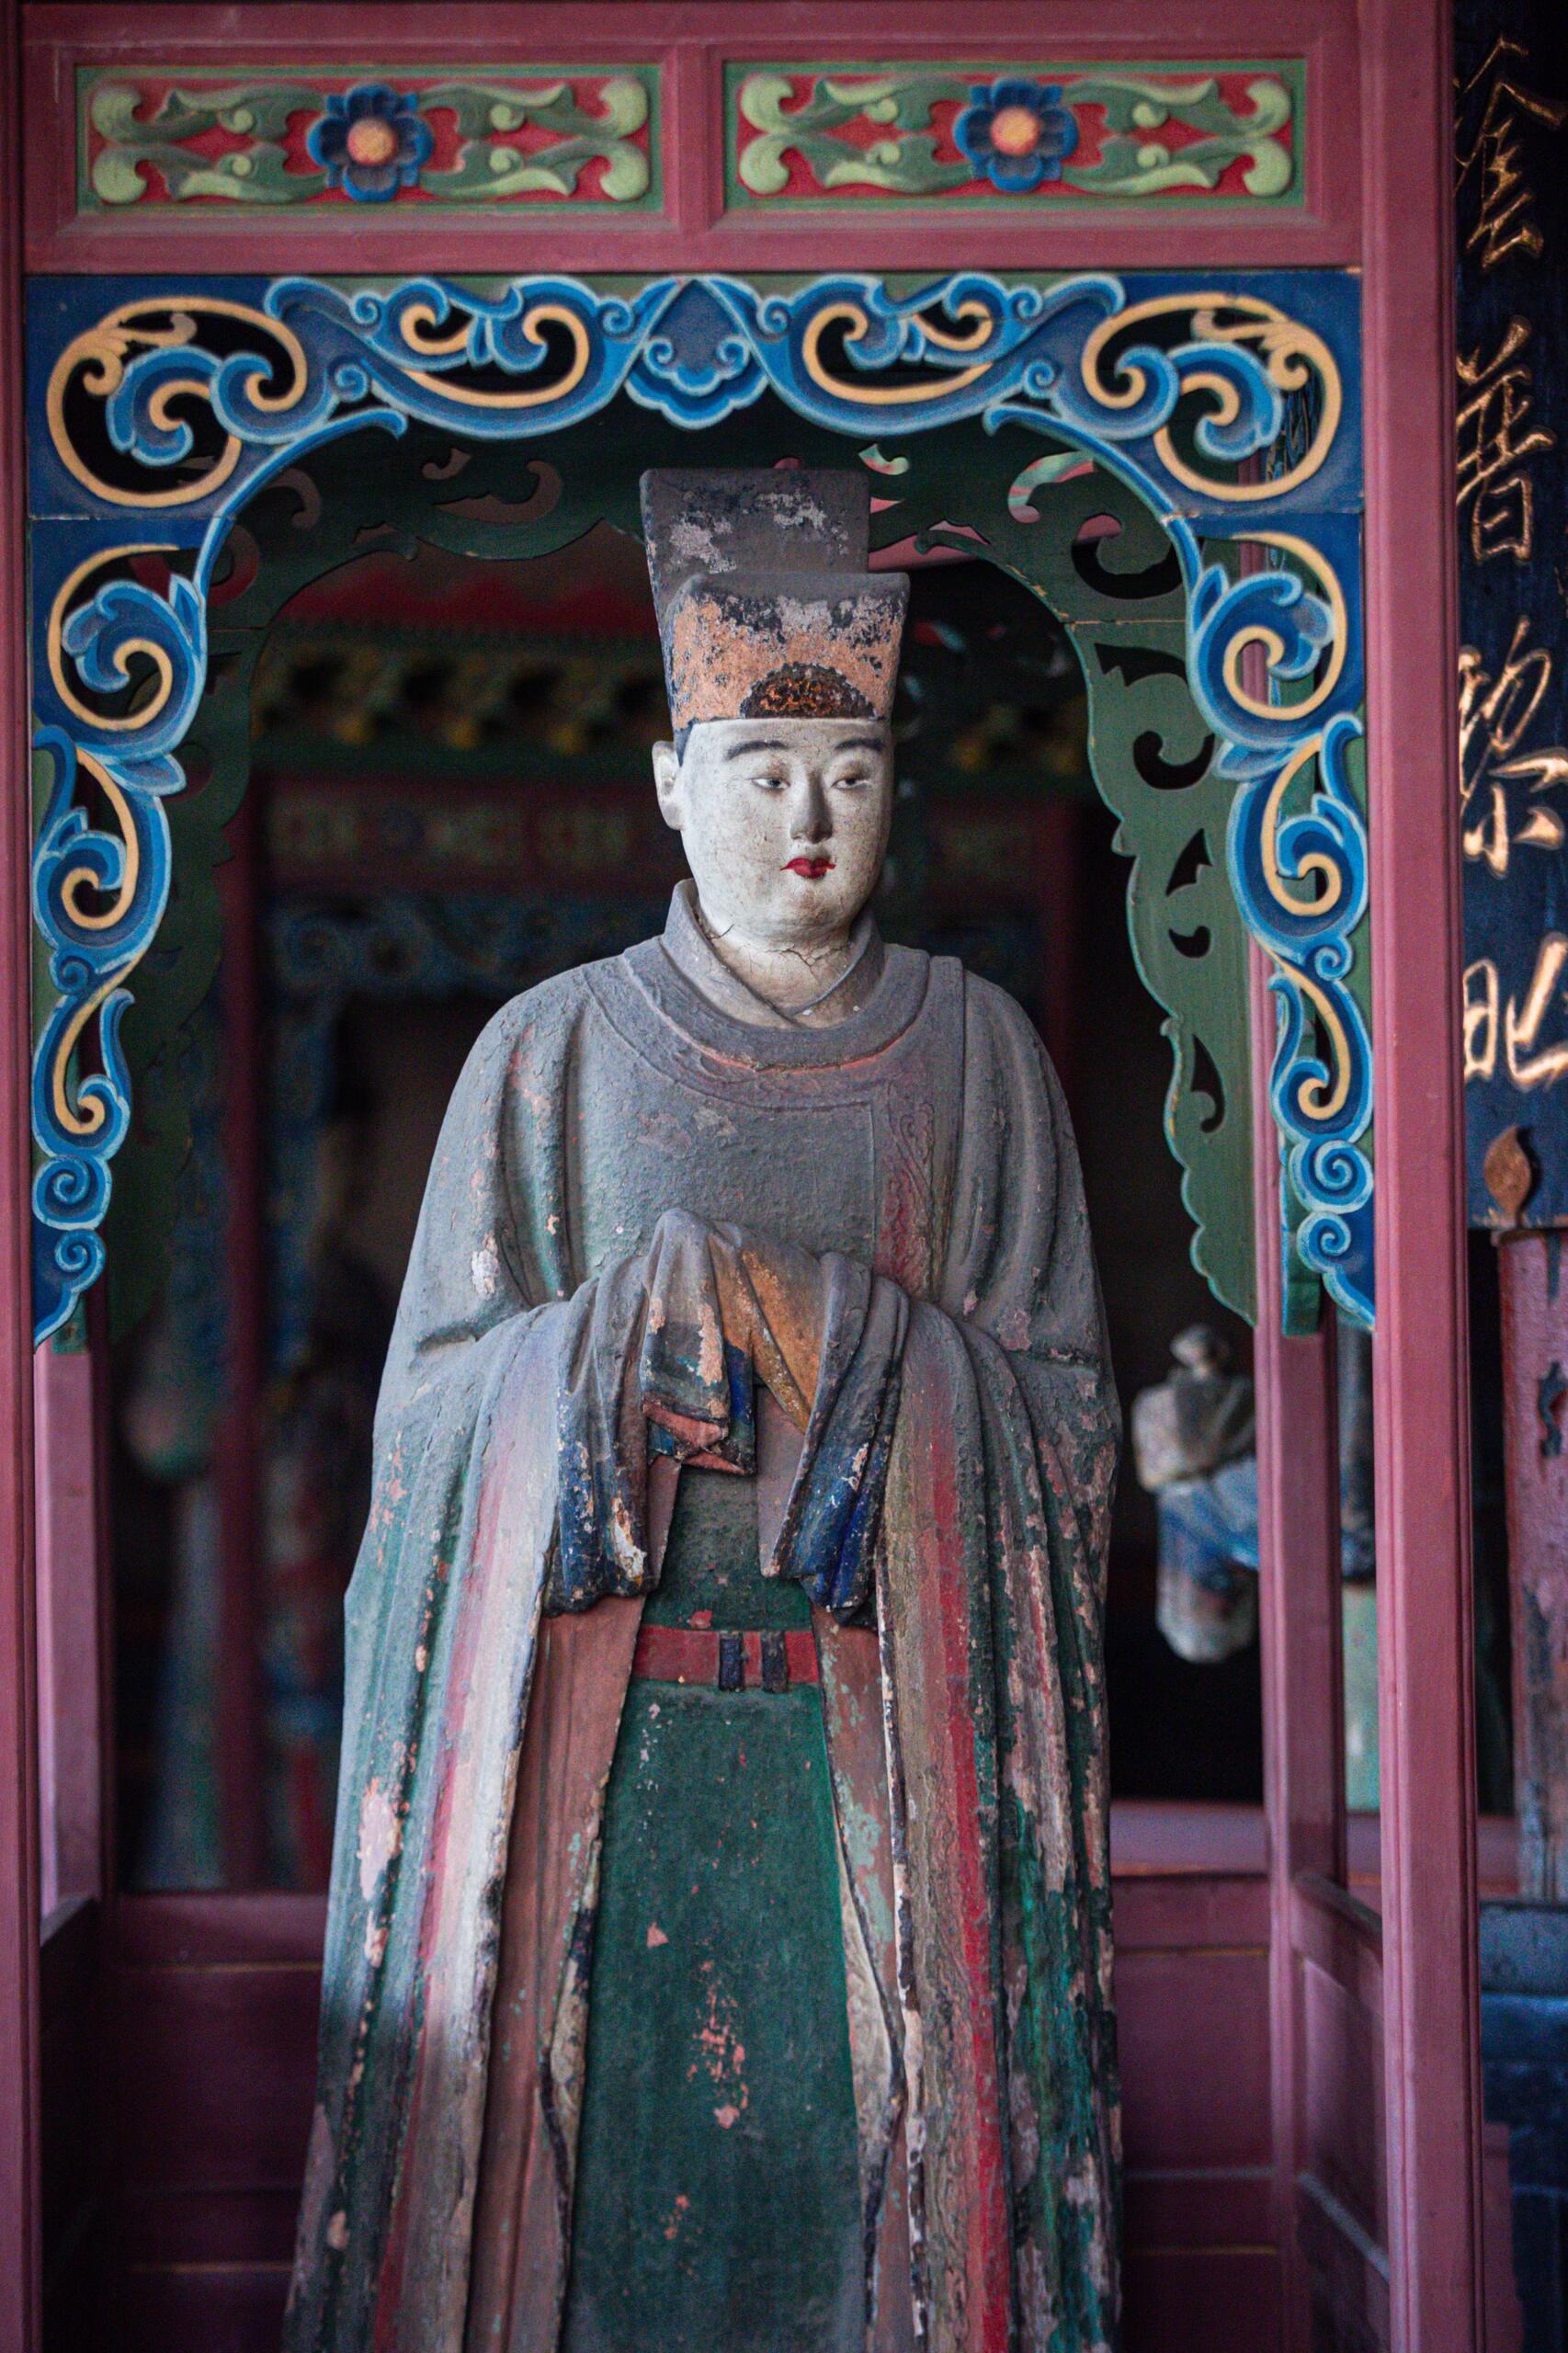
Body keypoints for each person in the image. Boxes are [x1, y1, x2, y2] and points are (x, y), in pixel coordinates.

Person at [287, 466, 1121, 2353]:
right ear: (670, 781)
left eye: (851, 770)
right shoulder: (553, 1052)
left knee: (881, 2225)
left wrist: (842, 1341)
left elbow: (1066, 1434)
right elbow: (420, 1441)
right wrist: (593, 1356)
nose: (809, 819)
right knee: (592, 2235)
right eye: (759, 770)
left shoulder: (977, 1056)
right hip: (606, 1749)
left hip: (887, 1756)